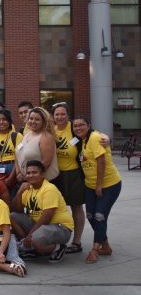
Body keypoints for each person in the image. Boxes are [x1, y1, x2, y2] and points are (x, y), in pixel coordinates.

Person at [72, 116, 122, 264]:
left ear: (89, 125)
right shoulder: (82, 141)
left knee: (99, 216)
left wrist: (99, 185)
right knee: (90, 215)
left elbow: (101, 162)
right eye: (75, 126)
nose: (78, 128)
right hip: (90, 185)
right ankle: (105, 246)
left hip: (108, 185)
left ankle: (95, 249)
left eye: (81, 125)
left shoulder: (94, 138)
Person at [10, 160, 74, 263]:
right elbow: (15, 209)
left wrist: (30, 235)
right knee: (12, 216)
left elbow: (47, 216)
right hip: (41, 225)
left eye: (34, 172)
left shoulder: (49, 189)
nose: (31, 175)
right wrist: (19, 193)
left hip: (60, 227)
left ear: (42, 174)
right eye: (28, 173)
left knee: (35, 238)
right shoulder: (28, 188)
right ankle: (30, 247)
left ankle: (58, 247)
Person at [52, 103, 86, 254]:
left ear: (68, 115)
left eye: (62, 114)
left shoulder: (74, 128)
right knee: (57, 209)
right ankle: (58, 239)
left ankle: (76, 242)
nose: (59, 117)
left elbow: (90, 134)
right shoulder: (50, 129)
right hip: (56, 175)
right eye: (57, 114)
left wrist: (105, 138)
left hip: (73, 174)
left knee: (76, 207)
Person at [15, 107, 59, 184]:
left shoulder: (46, 137)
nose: (33, 121)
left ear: (44, 122)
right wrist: (18, 172)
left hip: (43, 182)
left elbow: (46, 163)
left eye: (37, 119)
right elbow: (18, 154)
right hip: (28, 180)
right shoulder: (27, 134)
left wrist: (30, 177)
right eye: (31, 118)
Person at [0, 109, 22, 187]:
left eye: (4, 119)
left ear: (9, 121)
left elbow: (18, 157)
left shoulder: (17, 136)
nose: (1, 122)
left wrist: (11, 177)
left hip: (13, 168)